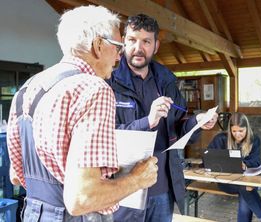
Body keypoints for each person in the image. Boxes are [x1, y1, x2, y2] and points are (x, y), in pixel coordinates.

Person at [7, 6, 158, 222]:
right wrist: (137, 179)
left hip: (33, 213)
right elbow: (82, 200)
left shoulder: (27, 89)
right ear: (98, 45)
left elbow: (15, 176)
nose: (119, 56)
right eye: (117, 46)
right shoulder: (93, 88)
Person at [107, 14, 218, 222]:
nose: (138, 48)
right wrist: (147, 121)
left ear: (156, 46)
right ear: (123, 41)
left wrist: (198, 122)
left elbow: (181, 124)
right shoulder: (108, 82)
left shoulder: (166, 81)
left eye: (146, 41)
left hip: (163, 190)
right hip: (124, 190)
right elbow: (105, 137)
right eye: (132, 40)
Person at [207, 112, 261, 222]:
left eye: (241, 131)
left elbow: (256, 161)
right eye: (234, 131)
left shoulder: (254, 140)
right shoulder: (220, 139)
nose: (237, 134)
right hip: (226, 182)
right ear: (230, 129)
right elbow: (208, 157)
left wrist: (245, 164)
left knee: (245, 188)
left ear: (247, 128)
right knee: (247, 188)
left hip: (247, 180)